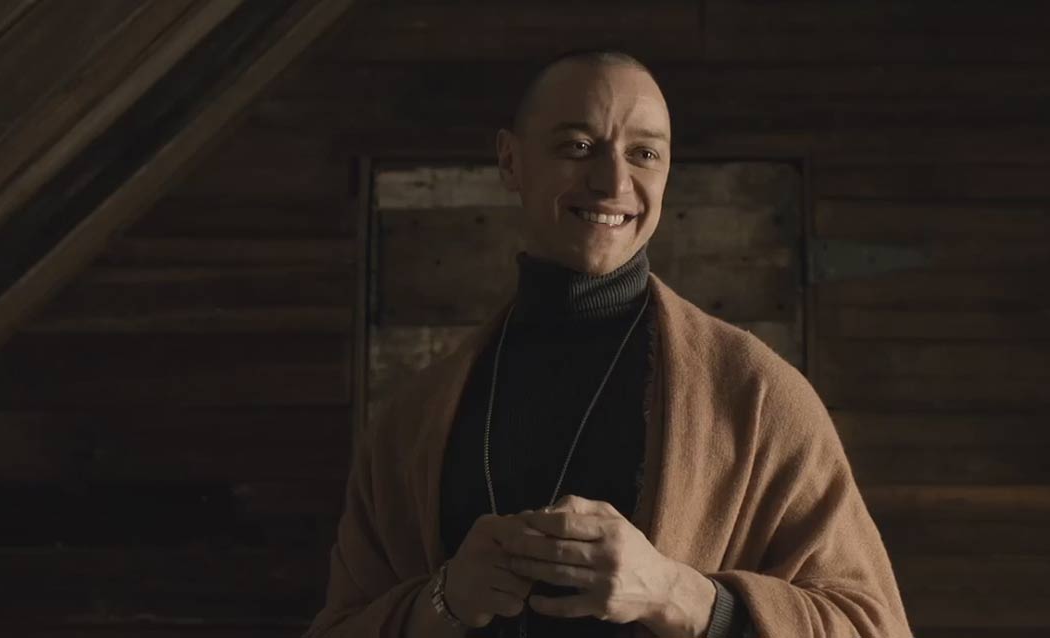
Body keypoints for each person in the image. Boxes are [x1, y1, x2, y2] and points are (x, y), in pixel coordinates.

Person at [304, 49, 912, 638]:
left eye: (644, 153)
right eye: (578, 146)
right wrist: (443, 601)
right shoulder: (412, 420)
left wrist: (675, 594)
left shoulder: (754, 394)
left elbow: (874, 627)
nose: (612, 180)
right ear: (510, 161)